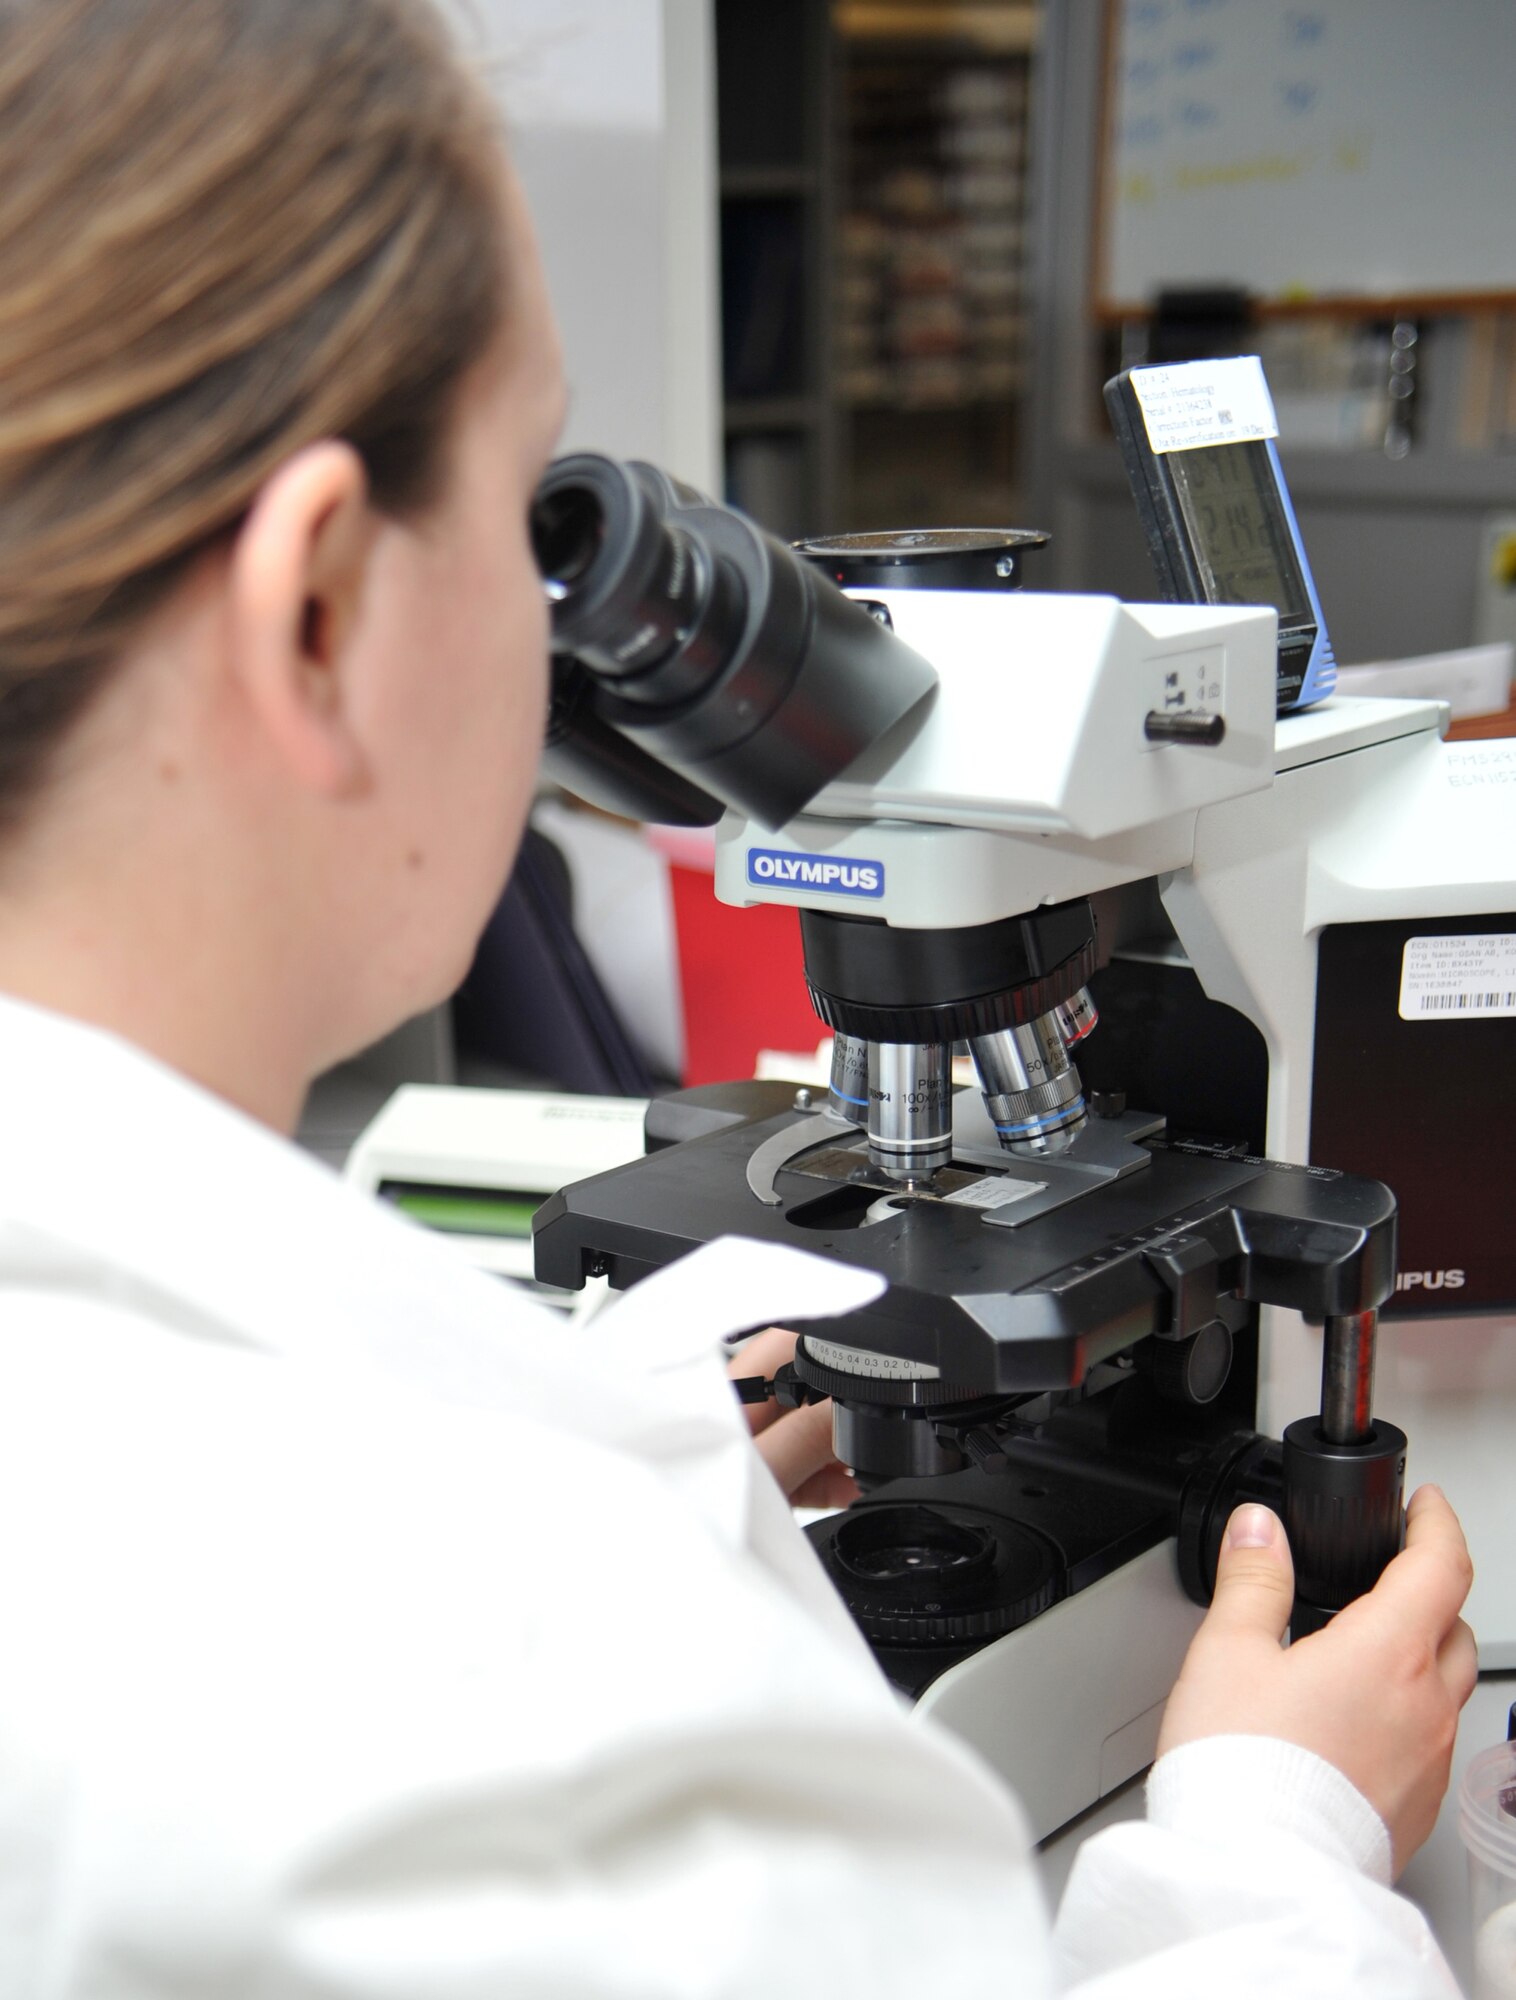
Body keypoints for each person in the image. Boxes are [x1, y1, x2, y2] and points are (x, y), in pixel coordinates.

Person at [0, 2, 1475, 1994]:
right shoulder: (523, 1719)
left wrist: (600, 1448)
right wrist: (1277, 1838)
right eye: (531, 507)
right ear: (321, 609)